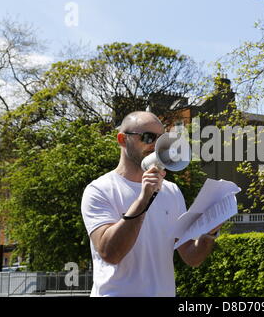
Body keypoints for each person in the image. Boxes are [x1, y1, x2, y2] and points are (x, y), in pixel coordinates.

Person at [81, 111, 220, 297]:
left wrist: (210, 232)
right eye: (147, 137)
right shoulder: (99, 190)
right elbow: (110, 253)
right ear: (122, 140)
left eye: (161, 138)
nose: (155, 145)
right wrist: (144, 198)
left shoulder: (171, 191)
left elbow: (191, 257)